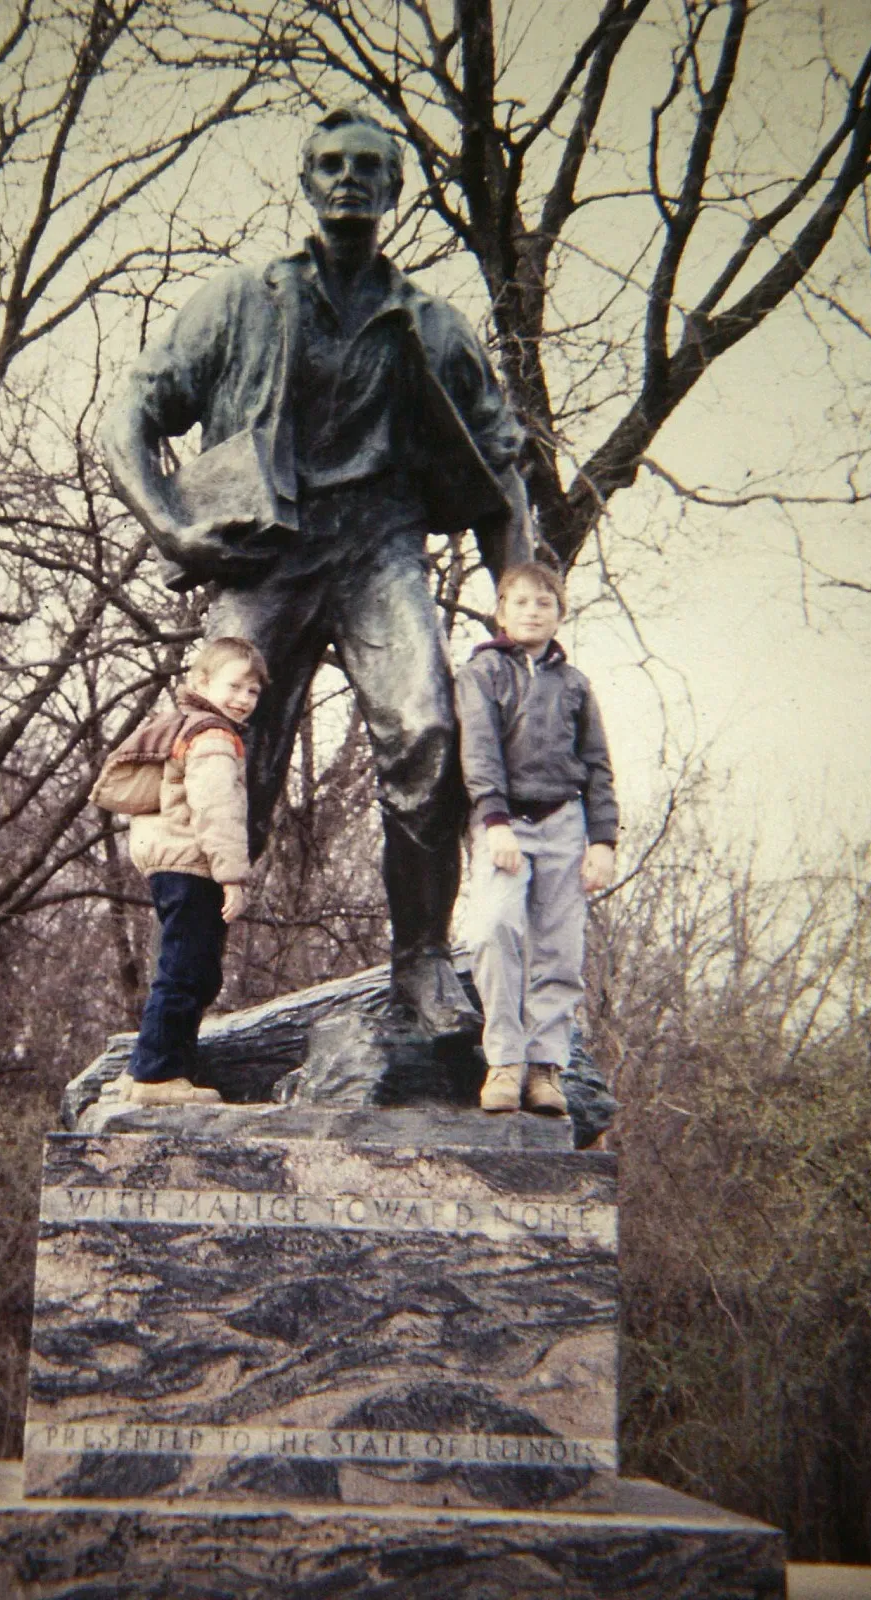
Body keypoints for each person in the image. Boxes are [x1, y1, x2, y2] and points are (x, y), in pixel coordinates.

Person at [102, 107, 532, 1039]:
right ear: (305, 183)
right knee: (218, 757)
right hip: (272, 549)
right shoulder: (243, 300)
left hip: (380, 545)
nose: (348, 179)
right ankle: (184, 998)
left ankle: (421, 958)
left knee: (425, 728)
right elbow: (130, 412)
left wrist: (518, 613)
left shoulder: (433, 325)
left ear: (392, 190)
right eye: (330, 164)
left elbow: (504, 472)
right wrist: (171, 529)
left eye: (368, 167)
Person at [454, 562, 618, 1115]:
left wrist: (603, 841)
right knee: (492, 929)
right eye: (520, 602)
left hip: (565, 823)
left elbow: (597, 766)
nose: (532, 611)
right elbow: (478, 750)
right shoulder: (484, 672)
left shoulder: (575, 685)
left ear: (559, 614)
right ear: (501, 612)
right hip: (505, 823)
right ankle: (503, 1062)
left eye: (544, 603)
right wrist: (495, 821)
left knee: (559, 949)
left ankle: (544, 1068)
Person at [118, 637, 268, 1106]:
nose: (243, 699)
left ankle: (149, 1068)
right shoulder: (214, 737)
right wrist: (233, 876)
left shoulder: (188, 727)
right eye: (235, 686)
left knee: (188, 967)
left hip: (173, 864)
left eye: (253, 691)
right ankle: (157, 1076)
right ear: (202, 683)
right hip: (193, 867)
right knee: (187, 969)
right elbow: (216, 811)